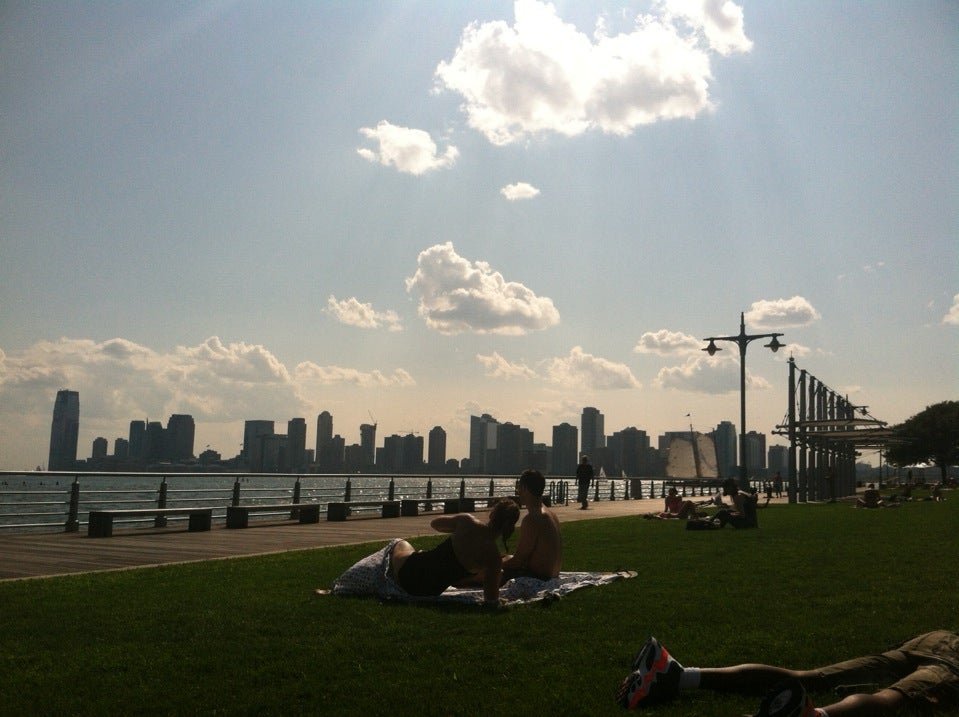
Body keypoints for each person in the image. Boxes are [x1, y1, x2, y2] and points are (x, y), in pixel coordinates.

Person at [617, 632, 959, 715]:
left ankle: (681, 675)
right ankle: (815, 715)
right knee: (895, 696)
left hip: (935, 637)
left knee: (812, 677)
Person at [389, 498, 519, 605]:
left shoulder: (467, 521)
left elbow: (435, 523)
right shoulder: (494, 559)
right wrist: (498, 600)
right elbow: (491, 600)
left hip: (408, 572)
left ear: (492, 514)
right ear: (510, 527)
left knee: (400, 543)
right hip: (426, 591)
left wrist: (456, 527)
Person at [500, 468, 563, 582]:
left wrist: (494, 564)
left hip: (538, 577)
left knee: (490, 571)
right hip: (551, 575)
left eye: (518, 487)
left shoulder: (532, 519)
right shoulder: (551, 514)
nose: (517, 491)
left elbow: (518, 561)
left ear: (524, 488)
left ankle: (462, 581)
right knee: (503, 558)